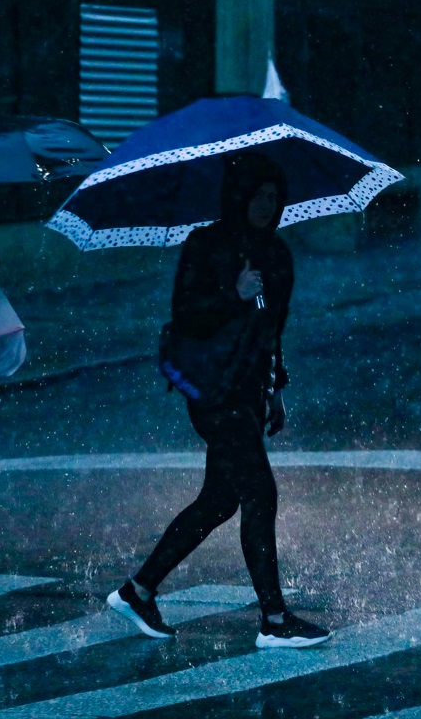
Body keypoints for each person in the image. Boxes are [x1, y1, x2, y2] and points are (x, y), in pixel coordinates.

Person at [107, 151, 331, 649]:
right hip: (213, 390)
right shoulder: (205, 244)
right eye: (260, 196)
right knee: (260, 493)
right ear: (241, 196)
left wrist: (276, 388)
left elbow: (273, 329)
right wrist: (233, 292)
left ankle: (138, 590)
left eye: (275, 198)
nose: (268, 205)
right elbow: (186, 316)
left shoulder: (276, 254)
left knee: (219, 500)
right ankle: (274, 620)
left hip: (248, 390)